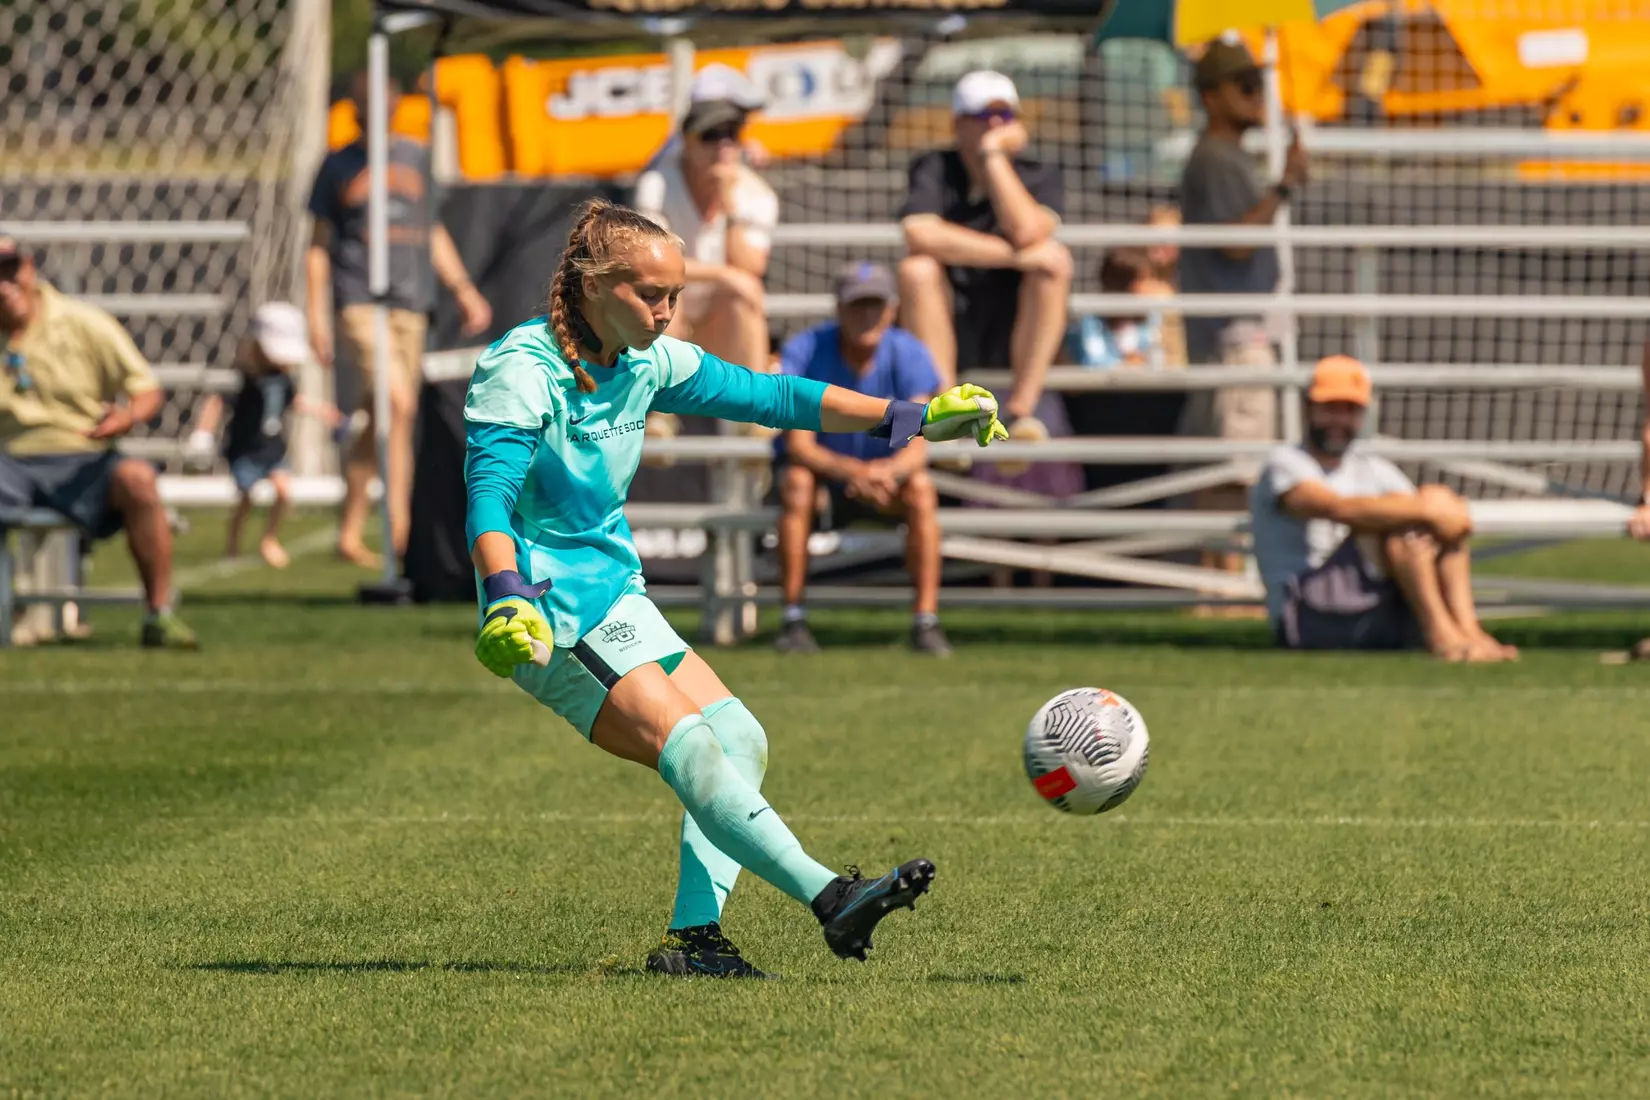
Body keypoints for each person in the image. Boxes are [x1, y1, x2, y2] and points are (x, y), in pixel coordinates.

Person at [463, 200, 1007, 977]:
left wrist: (910, 417)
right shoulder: (522, 370)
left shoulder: (646, 361)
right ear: (590, 287)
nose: (665, 310)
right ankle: (832, 897)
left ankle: (695, 943)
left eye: (675, 295)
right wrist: (507, 591)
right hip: (545, 611)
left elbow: (774, 397)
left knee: (740, 739)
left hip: (614, 596)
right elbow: (487, 498)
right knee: (686, 743)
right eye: (650, 293)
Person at [306, 71, 493, 569]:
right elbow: (319, 248)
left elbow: (431, 231)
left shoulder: (415, 156)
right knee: (398, 404)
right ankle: (403, 532)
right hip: (360, 300)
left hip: (410, 304)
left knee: (383, 418)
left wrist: (462, 289)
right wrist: (316, 316)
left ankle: (350, 530)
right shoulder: (337, 166)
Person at [1250, 356, 1517, 662]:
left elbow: (1420, 509)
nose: (1339, 420)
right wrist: (1433, 509)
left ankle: (1470, 632)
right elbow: (1336, 508)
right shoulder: (1285, 464)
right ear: (1307, 408)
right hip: (1304, 614)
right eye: (1330, 409)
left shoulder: (1370, 466)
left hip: (1371, 602)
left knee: (1422, 517)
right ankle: (1442, 635)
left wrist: (1439, 504)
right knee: (1405, 523)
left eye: (1350, 410)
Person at [0, 236, 196, 648]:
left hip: (84, 457)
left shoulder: (83, 322)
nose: (3, 284)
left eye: (8, 269)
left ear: (29, 268)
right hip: (9, 461)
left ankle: (158, 614)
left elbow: (146, 390)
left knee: (139, 479)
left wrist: (126, 417)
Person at [1179, 39, 1310, 593]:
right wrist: (1284, 185)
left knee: (1238, 469)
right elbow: (1235, 243)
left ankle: (1223, 585)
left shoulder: (1224, 157)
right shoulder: (1216, 157)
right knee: (1236, 473)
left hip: (1239, 336)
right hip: (1238, 338)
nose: (1258, 96)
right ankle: (1223, 588)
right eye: (1245, 86)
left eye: (1259, 84)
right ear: (1213, 97)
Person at [772, 262, 949, 656]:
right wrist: (858, 472)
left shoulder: (909, 352)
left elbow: (918, 437)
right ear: (839, 309)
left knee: (921, 489)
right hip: (824, 479)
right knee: (798, 484)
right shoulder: (805, 349)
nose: (866, 315)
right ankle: (793, 618)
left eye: (875, 305)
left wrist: (884, 472)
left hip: (886, 480)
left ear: (891, 309)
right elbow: (799, 446)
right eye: (857, 306)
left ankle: (926, 621)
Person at [897, 69, 1071, 439]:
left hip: (1013, 322)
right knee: (917, 270)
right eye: (982, 116)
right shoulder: (934, 167)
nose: (993, 124)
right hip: (950, 317)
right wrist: (1014, 257)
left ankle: (1021, 411)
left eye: (1004, 116)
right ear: (958, 124)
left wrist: (993, 157)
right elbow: (918, 233)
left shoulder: (1041, 173)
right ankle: (948, 410)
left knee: (1054, 264)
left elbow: (1027, 231)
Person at [633, 63, 777, 454]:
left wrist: (728, 204)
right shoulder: (657, 183)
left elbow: (750, 270)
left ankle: (754, 423)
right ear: (687, 142)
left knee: (741, 295)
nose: (724, 146)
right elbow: (654, 264)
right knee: (666, 290)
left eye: (732, 134)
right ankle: (658, 415)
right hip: (657, 325)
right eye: (712, 135)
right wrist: (726, 275)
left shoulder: (753, 194)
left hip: (715, 327)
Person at [193, 304, 344, 567]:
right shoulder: (243, 377)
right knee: (246, 496)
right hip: (245, 448)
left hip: (273, 447)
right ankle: (233, 543)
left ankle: (270, 539)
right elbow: (217, 401)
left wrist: (324, 412)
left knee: (284, 491)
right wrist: (203, 432)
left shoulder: (284, 378)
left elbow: (293, 401)